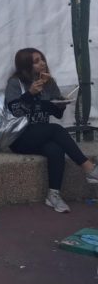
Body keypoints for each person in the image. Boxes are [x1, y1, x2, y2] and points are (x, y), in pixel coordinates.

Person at [6, 48, 98, 213]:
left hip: (42, 135)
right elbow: (15, 111)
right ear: (26, 65)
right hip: (20, 137)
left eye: (42, 59)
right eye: (36, 61)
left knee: (55, 149)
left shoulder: (49, 82)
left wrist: (61, 104)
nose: (42, 63)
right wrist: (30, 93)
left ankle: (53, 194)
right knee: (56, 129)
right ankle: (89, 168)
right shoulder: (15, 82)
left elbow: (56, 113)